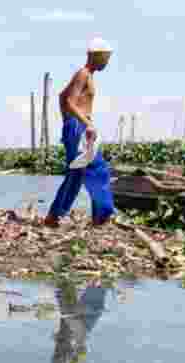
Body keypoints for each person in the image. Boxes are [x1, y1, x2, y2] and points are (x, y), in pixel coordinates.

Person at [43, 38, 115, 228]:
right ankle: (101, 216)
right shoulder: (83, 74)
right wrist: (82, 123)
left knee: (76, 173)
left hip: (76, 125)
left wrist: (68, 121)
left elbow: (61, 96)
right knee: (99, 169)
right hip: (79, 127)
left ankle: (54, 215)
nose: (107, 62)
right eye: (106, 58)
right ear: (97, 56)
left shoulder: (87, 75)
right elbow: (69, 102)